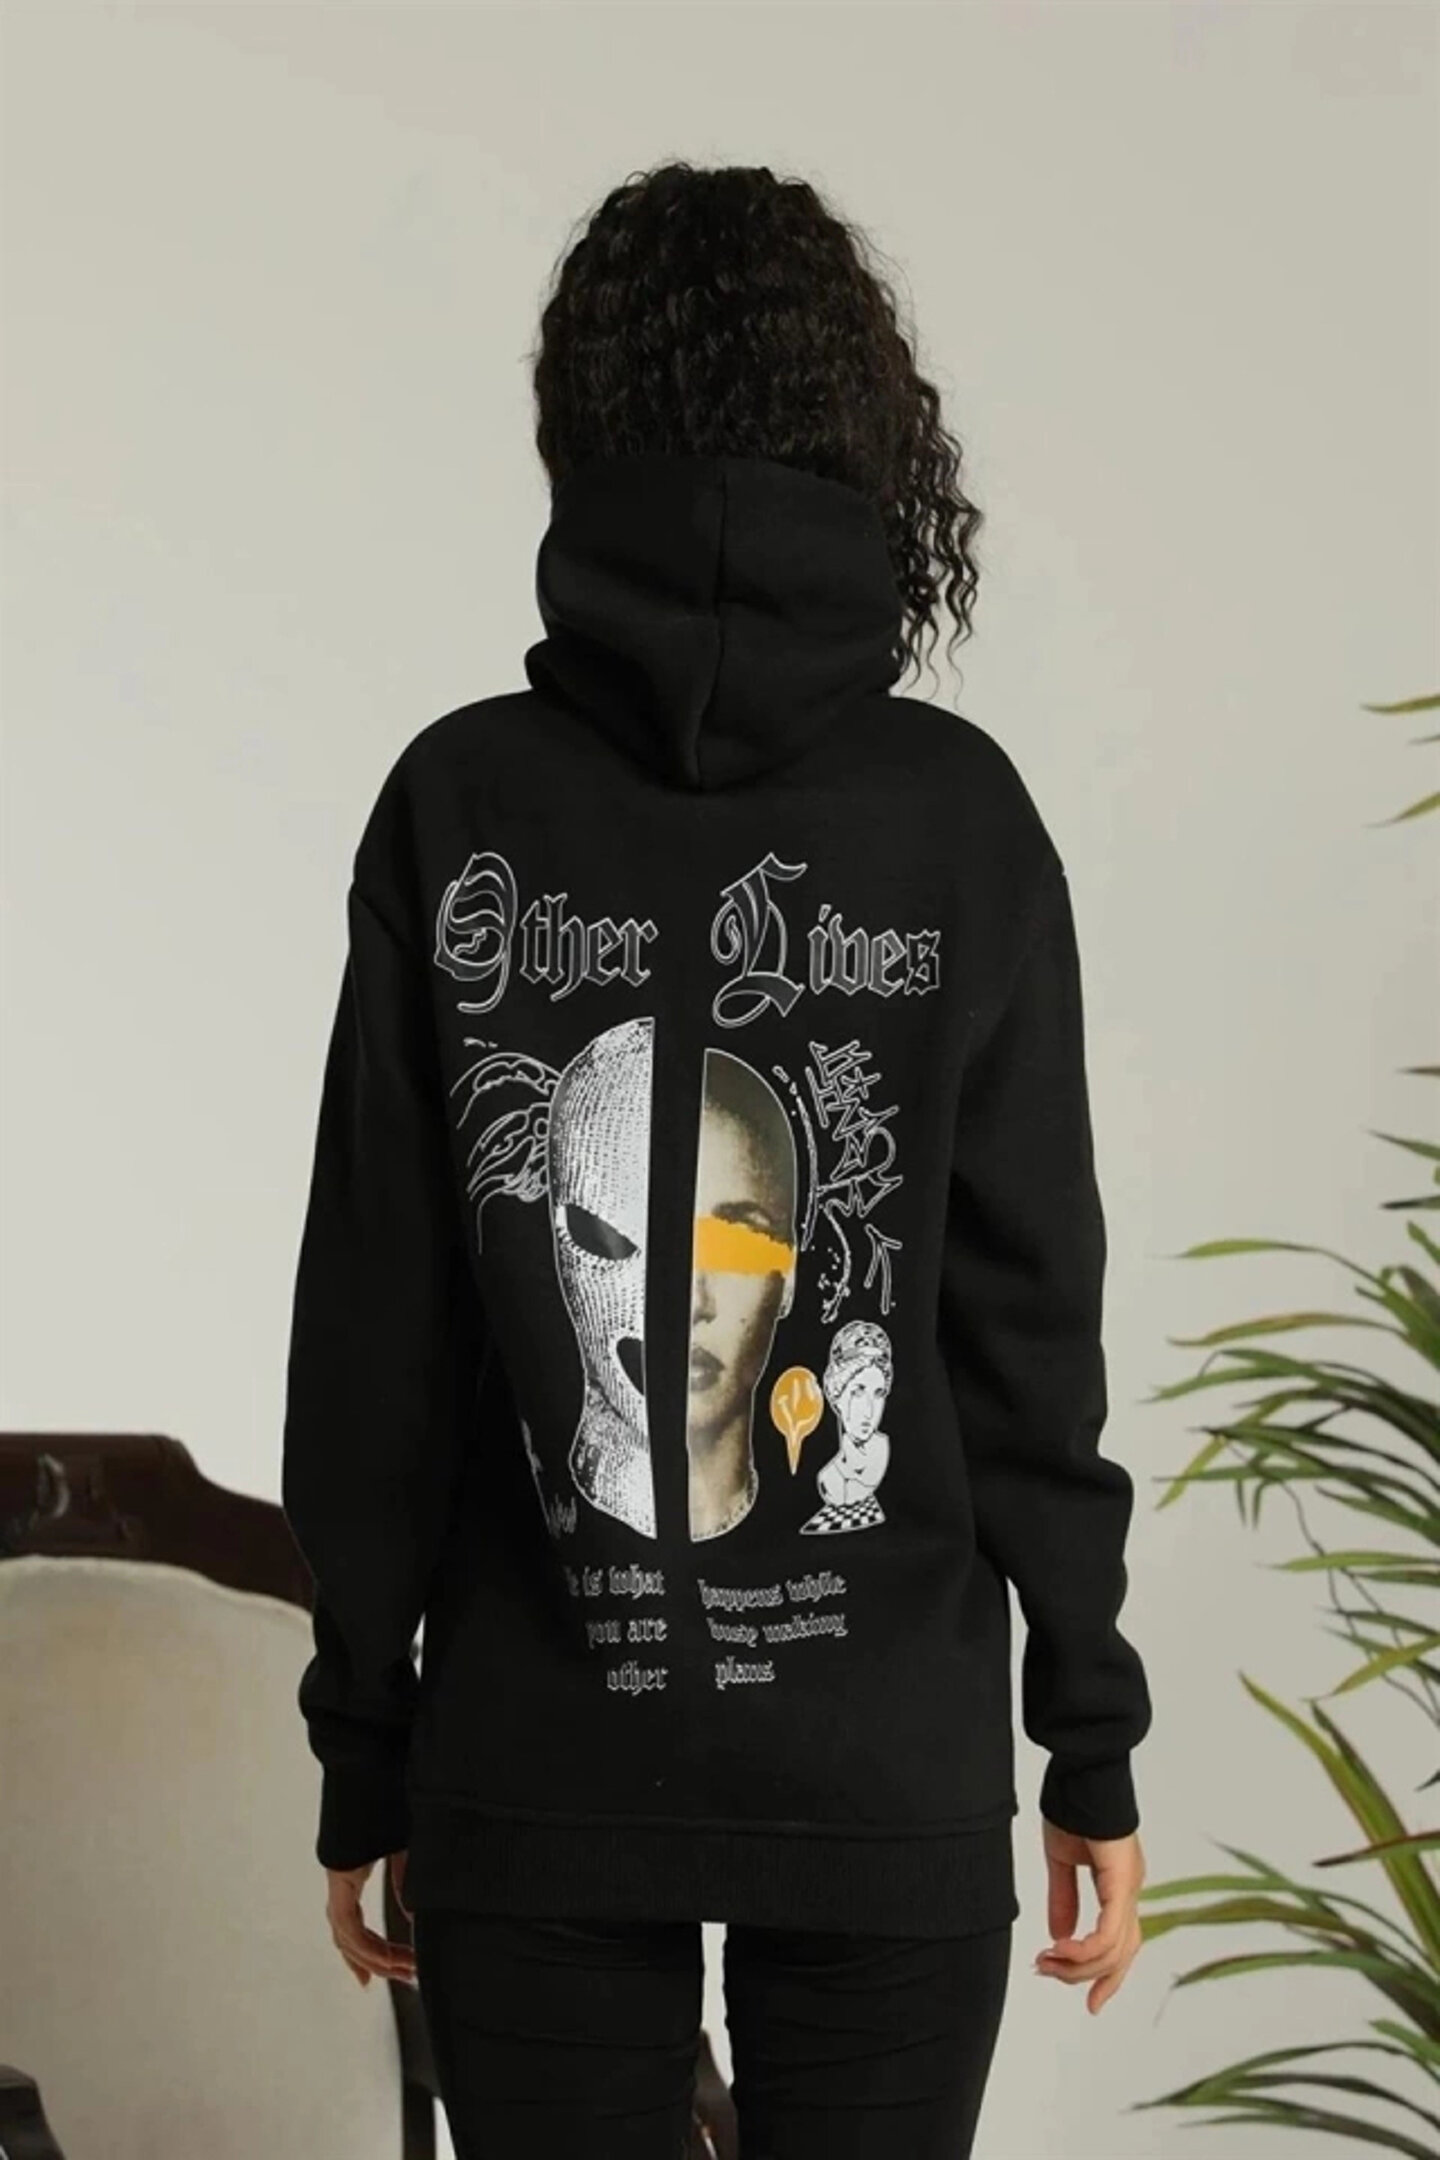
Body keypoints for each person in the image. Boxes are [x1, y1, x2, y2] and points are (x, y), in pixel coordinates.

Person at [280, 158, 1153, 2160]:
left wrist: (366, 1745)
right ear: (863, 426)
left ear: (578, 431)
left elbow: (378, 1332)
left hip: (531, 1766)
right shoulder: (962, 818)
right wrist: (1088, 1732)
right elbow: (1030, 1328)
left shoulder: (461, 801)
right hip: (886, 1773)